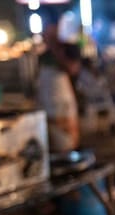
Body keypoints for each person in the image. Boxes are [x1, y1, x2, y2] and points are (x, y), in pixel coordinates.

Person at [37, 11, 82, 153]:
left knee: (66, 139)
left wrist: (55, 48)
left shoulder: (68, 45)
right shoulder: (43, 52)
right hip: (47, 96)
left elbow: (73, 68)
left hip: (62, 97)